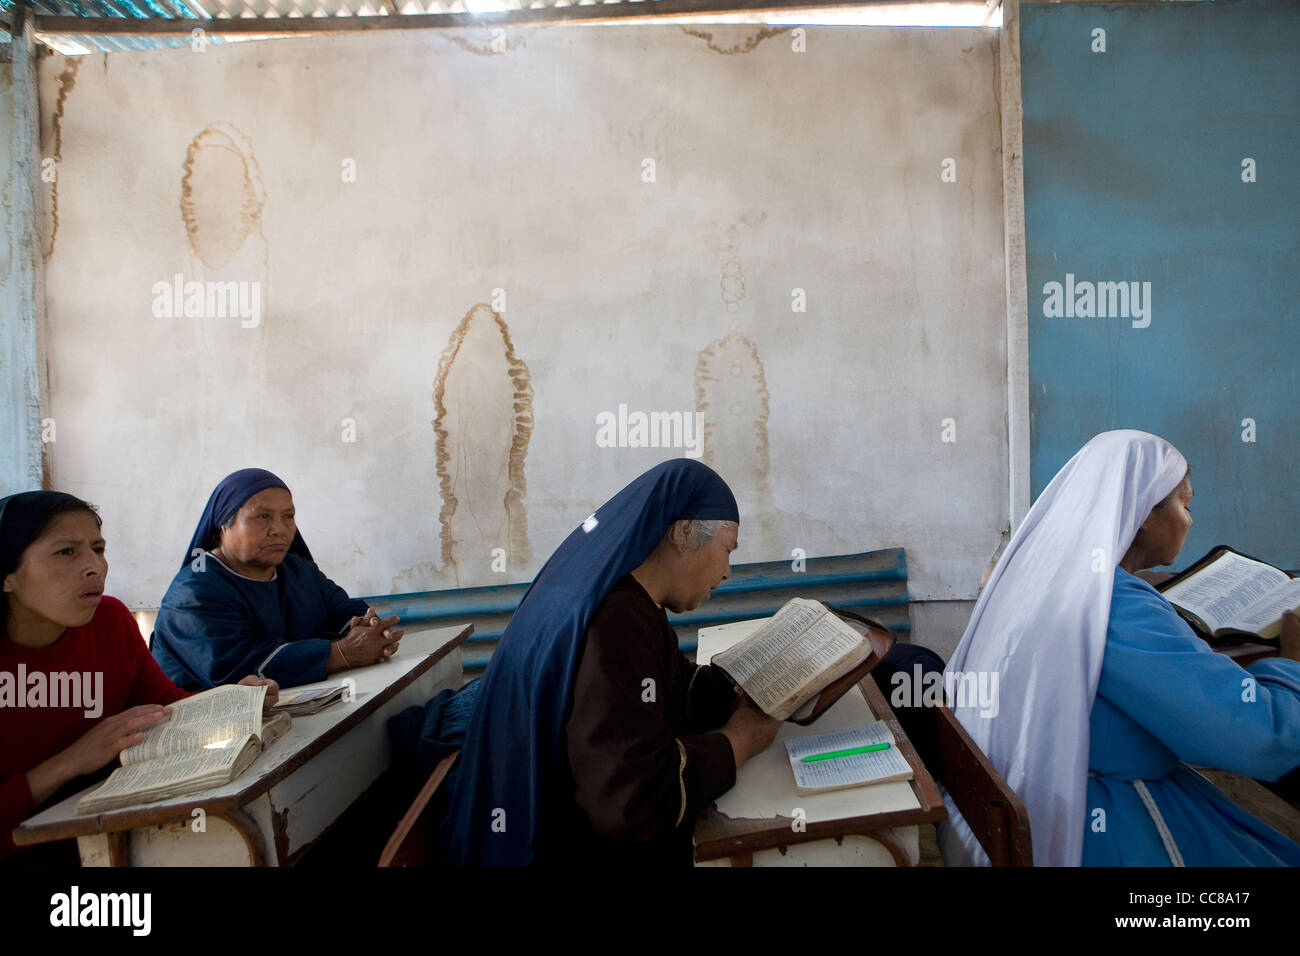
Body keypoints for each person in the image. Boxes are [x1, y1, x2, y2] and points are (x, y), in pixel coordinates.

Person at [941, 430, 1300, 866]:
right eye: (1185, 505)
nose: (1190, 520)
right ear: (1145, 513)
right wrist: (1289, 663)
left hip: (1037, 799)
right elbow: (1256, 738)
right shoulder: (1115, 604)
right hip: (1106, 824)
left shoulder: (1034, 574)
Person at [439, 458, 783, 866]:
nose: (727, 572)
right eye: (727, 551)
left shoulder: (626, 600)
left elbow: (664, 685)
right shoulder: (613, 621)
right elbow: (630, 799)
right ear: (683, 531)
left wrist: (740, 689)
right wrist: (737, 743)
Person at [0, 491, 277, 864]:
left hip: (113, 836)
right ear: (8, 576)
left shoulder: (109, 620)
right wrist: (72, 761)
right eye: (66, 552)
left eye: (98, 549)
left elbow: (163, 705)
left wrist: (229, 701)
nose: (94, 567)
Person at [151, 468, 403, 691]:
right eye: (263, 517)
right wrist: (340, 654)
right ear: (224, 525)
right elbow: (237, 668)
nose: (279, 529)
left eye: (288, 516)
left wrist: (374, 632)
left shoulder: (297, 570)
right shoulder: (192, 593)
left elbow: (344, 612)